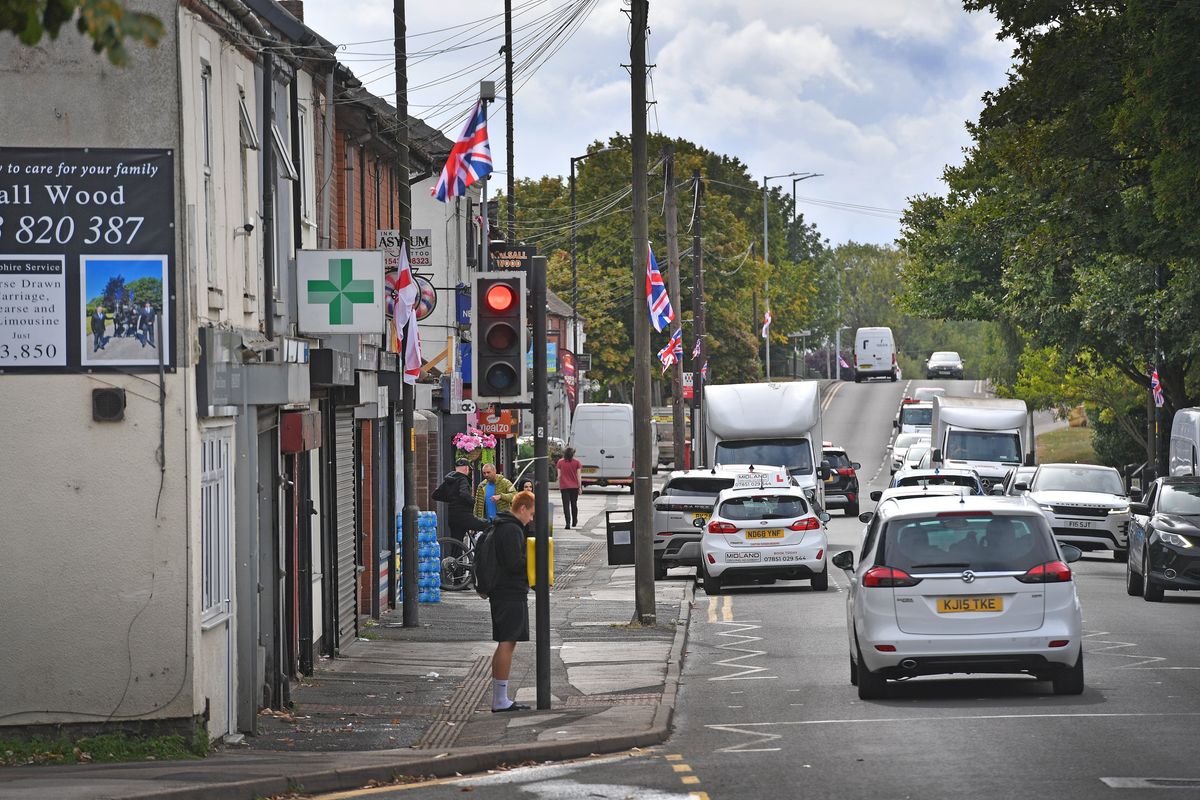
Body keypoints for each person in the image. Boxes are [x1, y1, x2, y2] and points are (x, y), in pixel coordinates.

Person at [482, 489, 534, 712]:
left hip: (501, 591)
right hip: (509, 591)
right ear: (522, 508)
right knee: (507, 642)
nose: (531, 519)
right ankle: (500, 700)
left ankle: (500, 698)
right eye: (531, 514)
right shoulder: (512, 529)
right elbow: (514, 563)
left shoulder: (502, 525)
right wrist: (534, 563)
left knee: (505, 641)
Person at [432, 457, 490, 545]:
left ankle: (456, 555)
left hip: (452, 517)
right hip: (464, 516)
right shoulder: (463, 479)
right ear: (466, 468)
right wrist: (474, 502)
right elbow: (464, 494)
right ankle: (483, 548)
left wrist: (452, 499)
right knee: (489, 525)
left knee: (457, 544)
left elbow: (435, 495)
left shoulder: (449, 480)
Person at [556, 446, 582, 530]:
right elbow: (578, 476)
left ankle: (567, 523)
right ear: (573, 454)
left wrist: (559, 485)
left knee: (566, 505)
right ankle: (574, 520)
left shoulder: (560, 462)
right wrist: (580, 487)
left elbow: (559, 476)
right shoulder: (577, 462)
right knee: (574, 504)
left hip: (564, 487)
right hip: (574, 487)